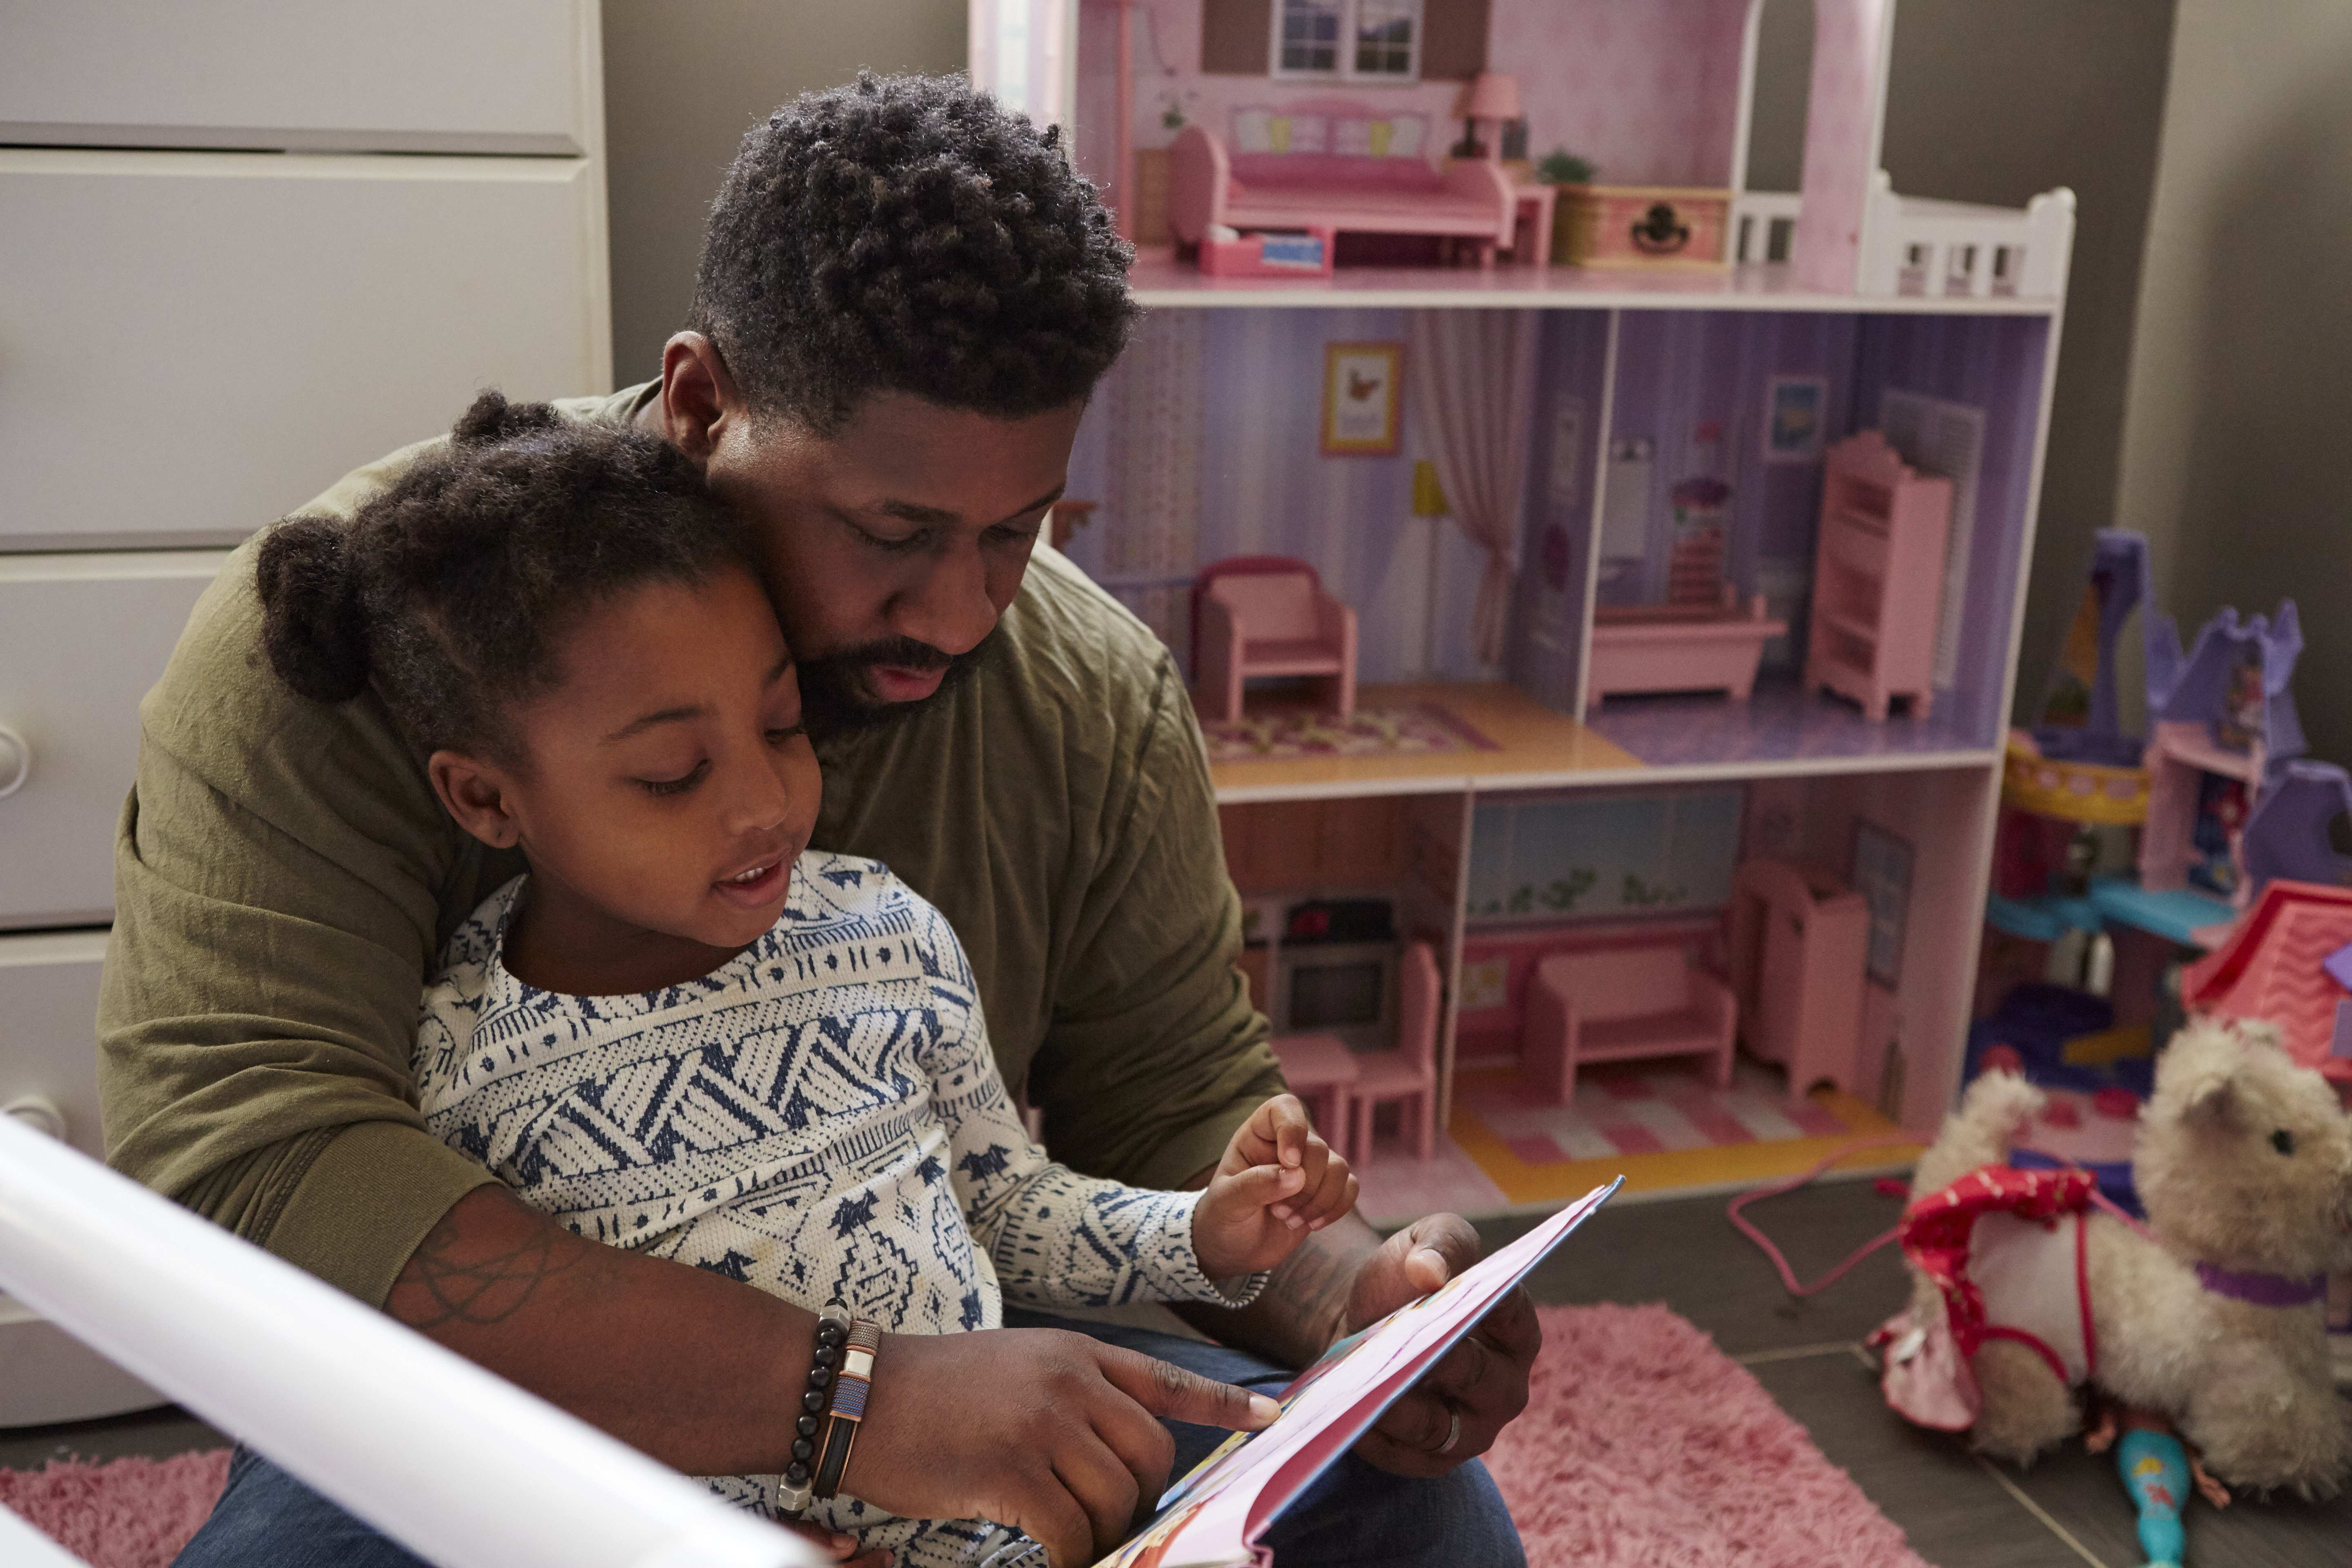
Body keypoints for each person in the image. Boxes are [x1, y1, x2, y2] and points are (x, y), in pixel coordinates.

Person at [102, 74, 1536, 1568]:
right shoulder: (382, 643)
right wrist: (848, 1402)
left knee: (1415, 1512)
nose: (964, 612)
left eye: (1017, 530)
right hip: (491, 1401)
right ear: (702, 404)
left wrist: (1359, 1298)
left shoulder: (1090, 696)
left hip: (937, 1315)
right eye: (893, 533)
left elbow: (1169, 1099)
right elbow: (268, 1168)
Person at [218, 392, 1359, 1567]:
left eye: (781, 724)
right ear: (485, 798)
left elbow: (1005, 1208)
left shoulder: (885, 930)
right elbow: (514, 1402)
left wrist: (1202, 1236)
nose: (765, 804)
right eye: (673, 774)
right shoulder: (463, 1060)